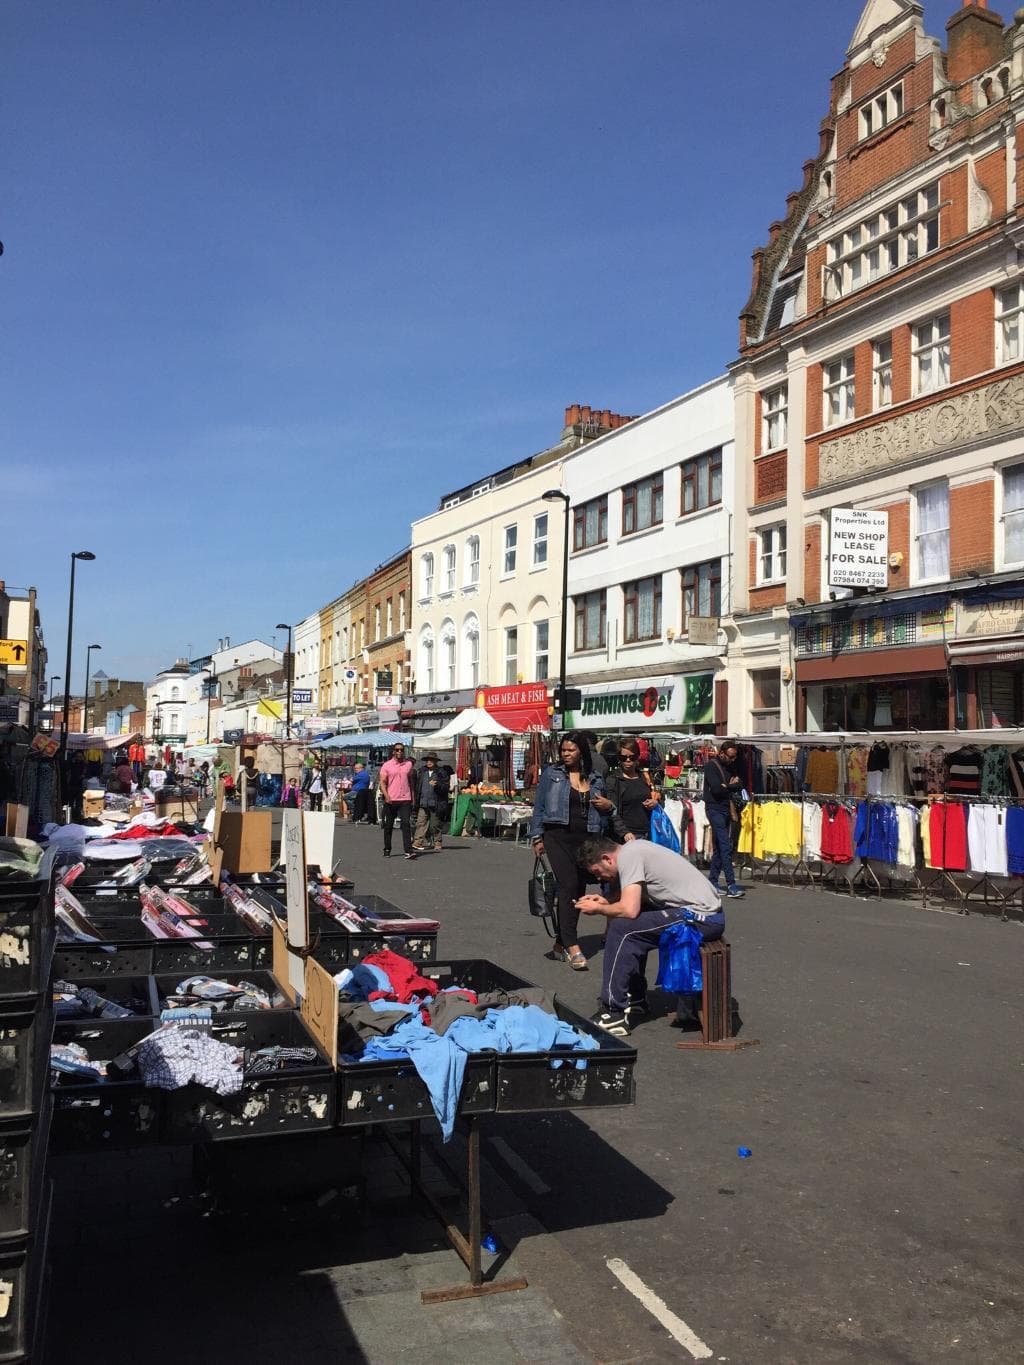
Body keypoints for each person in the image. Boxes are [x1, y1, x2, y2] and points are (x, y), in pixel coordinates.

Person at [576, 836, 725, 1036]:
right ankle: (636, 998)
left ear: (607, 859)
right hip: (704, 914)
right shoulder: (633, 849)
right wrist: (606, 901)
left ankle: (613, 1013)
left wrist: (599, 909)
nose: (599, 878)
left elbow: (629, 910)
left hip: (703, 919)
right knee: (636, 921)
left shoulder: (629, 856)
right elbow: (638, 899)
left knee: (622, 929)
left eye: (597, 871)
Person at [529, 731, 610, 971]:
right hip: (557, 837)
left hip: (586, 839)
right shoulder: (552, 774)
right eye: (563, 750)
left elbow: (603, 810)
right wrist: (537, 836)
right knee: (568, 885)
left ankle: (560, 943)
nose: (566, 754)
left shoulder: (595, 777)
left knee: (578, 889)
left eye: (571, 750)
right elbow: (539, 806)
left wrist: (607, 808)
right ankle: (573, 946)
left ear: (581, 752)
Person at [703, 740, 747, 900]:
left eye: (734, 757)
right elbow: (716, 789)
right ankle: (731, 885)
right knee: (725, 845)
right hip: (714, 808)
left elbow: (740, 785)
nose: (732, 760)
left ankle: (713, 882)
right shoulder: (711, 766)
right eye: (730, 756)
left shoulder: (731, 766)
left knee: (719, 847)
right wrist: (730, 786)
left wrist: (726, 786)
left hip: (726, 808)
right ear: (721, 753)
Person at [605, 737, 660, 842]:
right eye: (623, 757)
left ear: (638, 757)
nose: (628, 760)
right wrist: (624, 832)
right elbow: (612, 810)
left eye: (632, 757)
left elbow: (658, 799)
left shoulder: (645, 777)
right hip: (627, 836)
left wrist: (655, 803)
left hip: (649, 833)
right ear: (619, 758)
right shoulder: (614, 779)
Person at [379, 741, 416, 859]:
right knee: (388, 825)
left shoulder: (408, 764)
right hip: (391, 799)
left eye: (401, 750)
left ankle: (408, 850)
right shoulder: (387, 765)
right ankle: (387, 848)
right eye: (397, 750)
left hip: (405, 799)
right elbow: (382, 782)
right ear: (393, 752)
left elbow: (411, 781)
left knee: (406, 823)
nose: (399, 751)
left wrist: (413, 797)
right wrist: (386, 796)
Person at [413, 752, 447, 852]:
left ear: (436, 761)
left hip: (435, 802)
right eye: (428, 760)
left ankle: (437, 842)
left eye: (431, 760)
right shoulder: (422, 771)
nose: (429, 762)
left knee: (435, 824)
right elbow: (418, 786)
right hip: (423, 801)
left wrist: (438, 785)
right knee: (420, 823)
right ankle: (417, 842)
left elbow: (446, 787)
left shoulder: (441, 772)